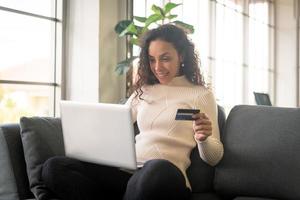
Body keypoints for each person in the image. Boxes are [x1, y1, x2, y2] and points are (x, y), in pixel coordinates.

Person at [42, 24, 224, 200]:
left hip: (166, 177)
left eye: (165, 58)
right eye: (152, 59)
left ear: (182, 56)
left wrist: (204, 139)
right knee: (54, 167)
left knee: (156, 169)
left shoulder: (201, 95)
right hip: (128, 174)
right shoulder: (144, 91)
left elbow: (214, 158)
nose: (158, 67)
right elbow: (114, 127)